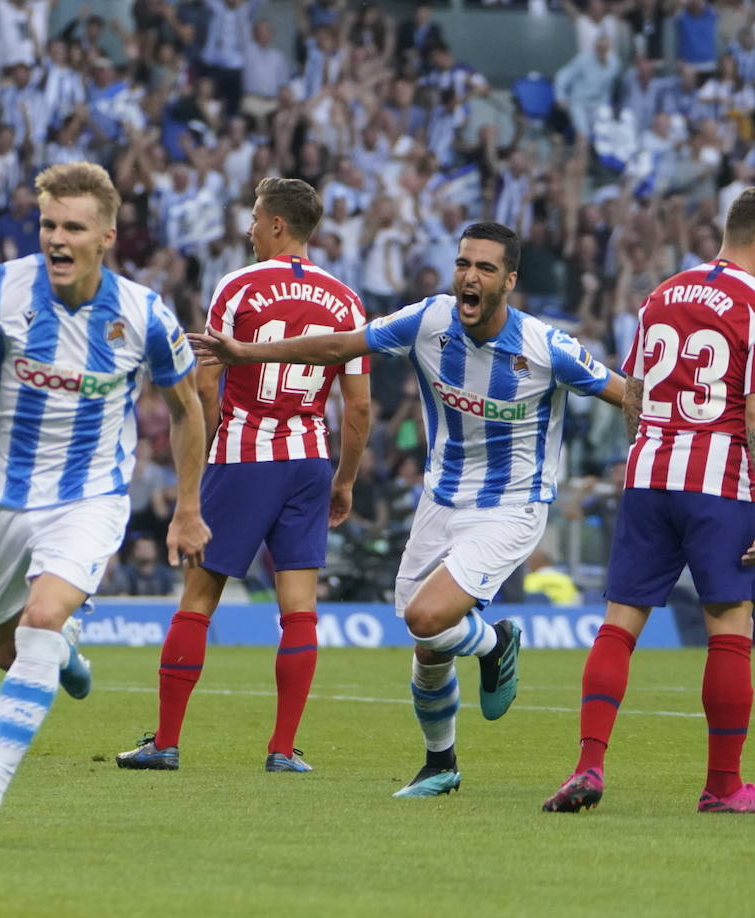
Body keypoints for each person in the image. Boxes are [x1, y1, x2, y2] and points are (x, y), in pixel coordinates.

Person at [191, 222, 626, 797]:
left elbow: (630, 396)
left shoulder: (545, 347)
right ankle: (440, 763)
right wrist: (247, 351)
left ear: (510, 281)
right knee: (424, 644)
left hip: (510, 506)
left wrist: (672, 454)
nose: (470, 277)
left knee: (428, 618)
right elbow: (338, 345)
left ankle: (496, 644)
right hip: (439, 500)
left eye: (486, 268)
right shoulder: (430, 319)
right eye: (464, 264)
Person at [0, 161, 211, 841]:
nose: (56, 237)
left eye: (72, 227)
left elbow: (187, 407)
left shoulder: (142, 314)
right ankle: (69, 654)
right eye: (48, 223)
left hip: (90, 497)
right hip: (0, 498)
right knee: (8, 652)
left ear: (106, 236)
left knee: (41, 619)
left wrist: (188, 506)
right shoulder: (4, 289)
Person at [117, 176, 370, 774]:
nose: (249, 230)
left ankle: (168, 742)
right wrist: (344, 479)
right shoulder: (349, 301)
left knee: (199, 599)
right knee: (299, 609)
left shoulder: (237, 287)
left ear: (277, 225)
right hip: (309, 459)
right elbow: (357, 407)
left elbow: (206, 383)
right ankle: (282, 749)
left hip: (243, 455)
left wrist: (196, 472)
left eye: (256, 219)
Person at [543, 190, 755, 814]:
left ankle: (589, 766)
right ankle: (722, 787)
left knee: (620, 622)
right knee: (730, 627)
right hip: (720, 480)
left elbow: (633, 391)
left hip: (647, 475)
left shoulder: (663, 292)